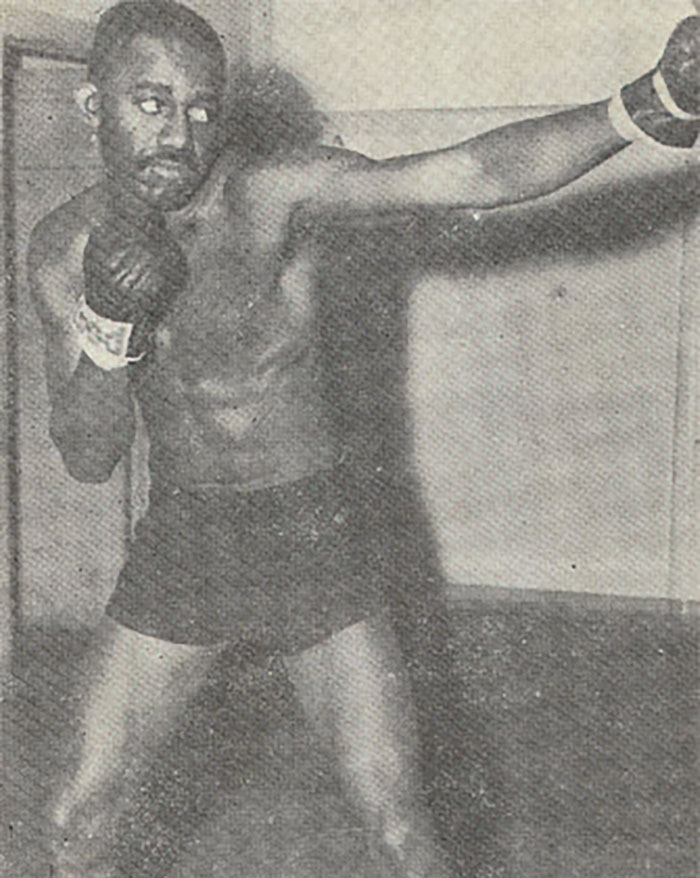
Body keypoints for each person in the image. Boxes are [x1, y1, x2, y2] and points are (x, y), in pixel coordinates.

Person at [27, 2, 700, 875]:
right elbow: (86, 455)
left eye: (200, 107)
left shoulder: (272, 198)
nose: (181, 132)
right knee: (79, 817)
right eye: (151, 102)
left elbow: (472, 173)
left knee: (400, 829)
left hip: (313, 535)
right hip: (186, 539)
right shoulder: (60, 249)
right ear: (93, 108)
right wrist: (110, 328)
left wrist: (647, 106)